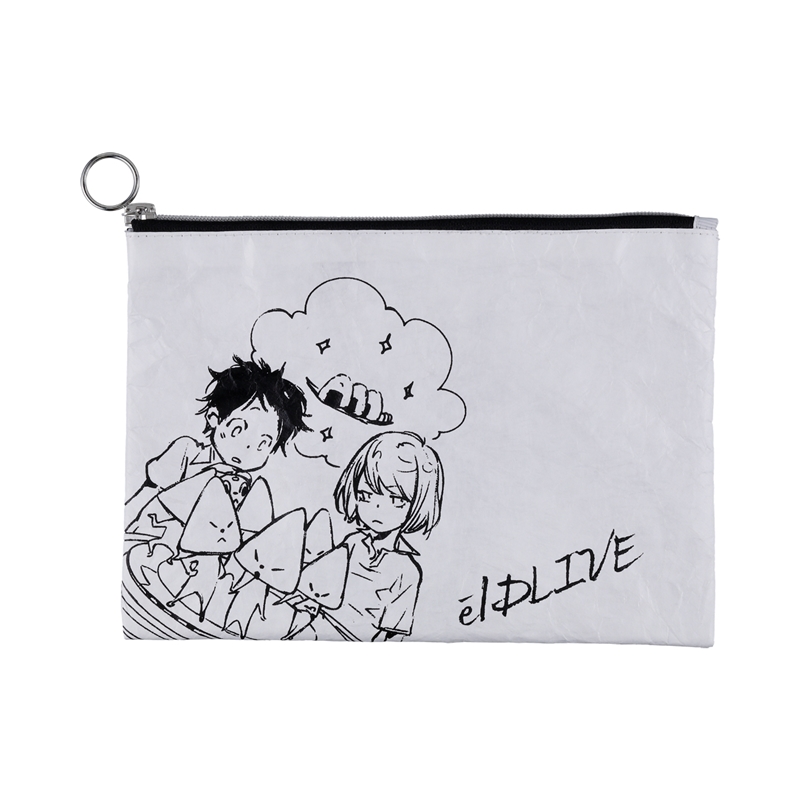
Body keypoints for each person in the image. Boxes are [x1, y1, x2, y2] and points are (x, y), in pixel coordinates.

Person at [125, 356, 309, 534]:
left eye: (264, 443)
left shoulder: (249, 489)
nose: (248, 446)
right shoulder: (186, 452)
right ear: (214, 418)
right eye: (238, 430)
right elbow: (150, 490)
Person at [293, 431, 444, 641]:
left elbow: (393, 633)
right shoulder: (352, 542)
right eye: (366, 496)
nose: (377, 508)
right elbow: (321, 583)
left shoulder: (407, 571)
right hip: (313, 627)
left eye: (396, 499)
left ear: (418, 504)